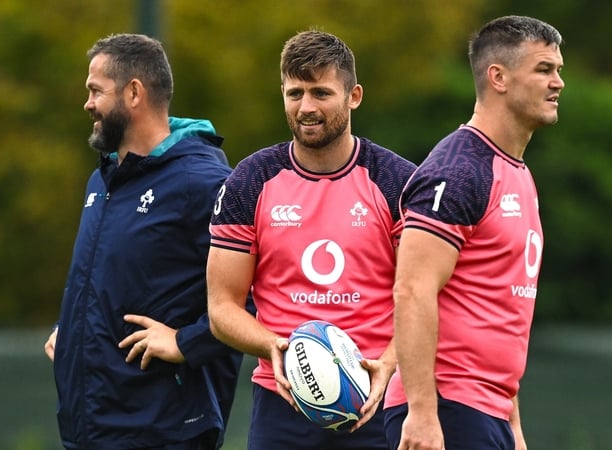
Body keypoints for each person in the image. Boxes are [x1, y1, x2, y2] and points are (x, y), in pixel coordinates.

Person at [206, 30, 417, 449]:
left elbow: (426, 295)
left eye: (321, 93)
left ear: (354, 96)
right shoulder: (251, 181)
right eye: (295, 93)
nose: (306, 107)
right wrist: (273, 347)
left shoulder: (398, 182)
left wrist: (390, 365)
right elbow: (222, 306)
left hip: (379, 399)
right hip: (282, 403)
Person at [43, 33, 247, 450]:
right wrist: (72, 328)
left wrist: (187, 342)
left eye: (96, 90)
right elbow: (111, 280)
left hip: (162, 431)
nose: (87, 104)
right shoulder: (102, 179)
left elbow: (260, 292)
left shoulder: (203, 183)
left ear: (134, 93)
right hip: (90, 430)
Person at [383, 15, 564, 450]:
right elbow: (412, 289)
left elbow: (498, 310)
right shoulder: (459, 170)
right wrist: (422, 413)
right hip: (448, 409)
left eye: (558, 70)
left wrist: (512, 423)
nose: (558, 83)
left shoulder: (517, 173)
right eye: (544, 69)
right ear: (498, 77)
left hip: (487, 411)